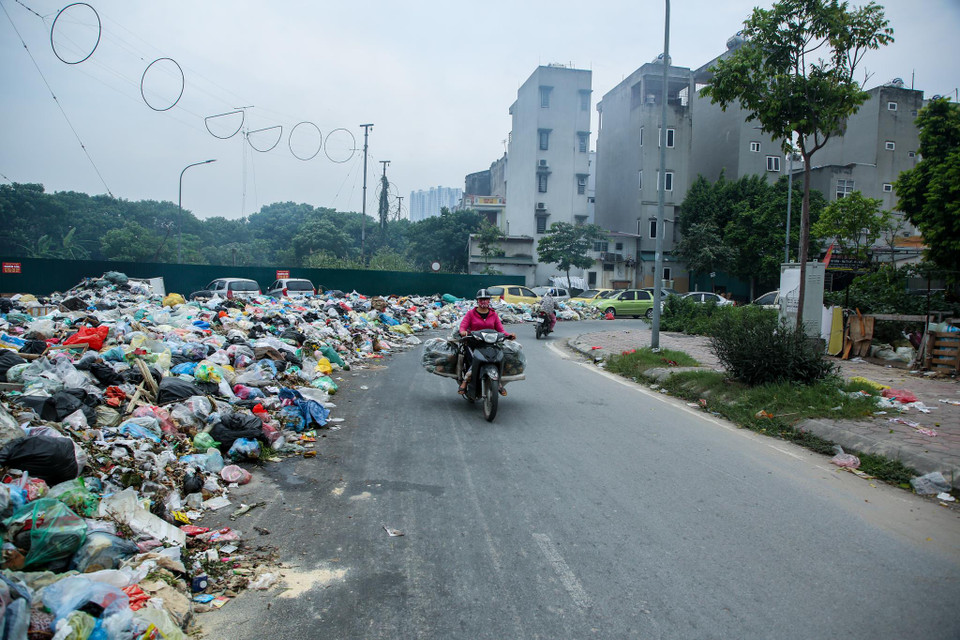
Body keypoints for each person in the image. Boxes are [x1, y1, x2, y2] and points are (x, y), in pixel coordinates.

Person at [458, 289, 515, 396]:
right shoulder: (471, 313)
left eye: (486, 299)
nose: (484, 301)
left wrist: (508, 336)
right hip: (474, 343)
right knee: (474, 359)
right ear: (477, 301)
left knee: (500, 357)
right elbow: (463, 325)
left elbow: (500, 330)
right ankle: (465, 381)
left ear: (489, 301)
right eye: (481, 299)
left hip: (490, 344)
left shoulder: (493, 314)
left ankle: (498, 382)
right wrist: (463, 332)